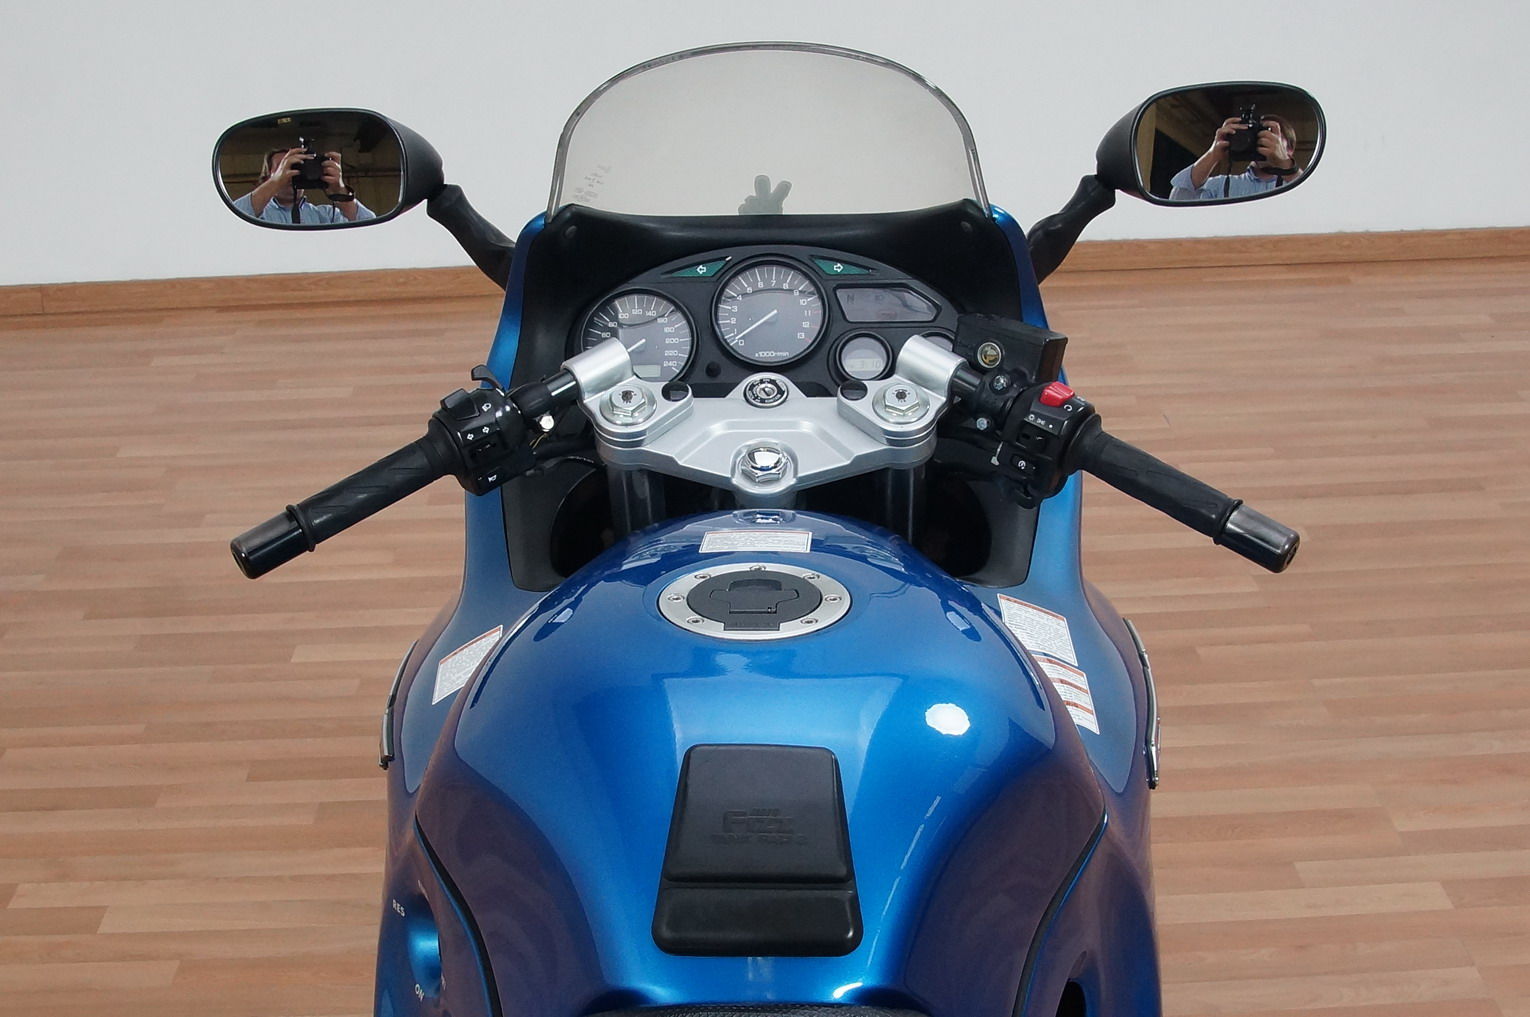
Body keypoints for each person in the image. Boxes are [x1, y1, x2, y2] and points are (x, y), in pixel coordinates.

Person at [1168, 113, 1301, 201]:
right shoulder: (1219, 185)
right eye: (1258, 135)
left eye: (1271, 135)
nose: (1263, 140)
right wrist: (1212, 154)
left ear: (1290, 149)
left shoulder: (1298, 186)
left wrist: (1285, 164)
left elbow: (1313, 205)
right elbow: (1178, 200)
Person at [233, 147, 376, 224]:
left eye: (295, 167)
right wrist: (276, 182)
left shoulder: (326, 215)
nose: (289, 173)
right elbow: (232, 220)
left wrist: (340, 191)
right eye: (282, 168)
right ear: (267, 179)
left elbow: (370, 225)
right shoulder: (258, 216)